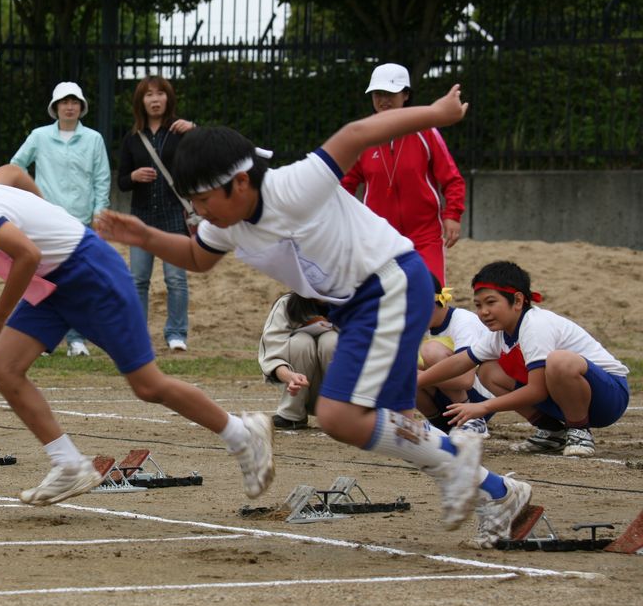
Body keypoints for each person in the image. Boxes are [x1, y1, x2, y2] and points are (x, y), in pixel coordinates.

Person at [95, 85, 531, 549]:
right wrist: (143, 236)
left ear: (239, 182)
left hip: (391, 283)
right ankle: (499, 492)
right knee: (399, 420)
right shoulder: (226, 224)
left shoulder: (293, 185)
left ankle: (459, 460)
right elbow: (197, 257)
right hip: (358, 302)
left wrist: (436, 113)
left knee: (341, 417)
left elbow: (359, 132)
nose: (199, 213)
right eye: (193, 203)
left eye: (204, 200)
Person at [0, 161, 274, 507]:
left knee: (149, 385)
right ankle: (68, 464)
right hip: (56, 281)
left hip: (89, 274)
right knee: (2, 369)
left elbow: (28, 253)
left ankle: (242, 434)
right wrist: (48, 216)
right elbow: (14, 173)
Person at [418, 260, 630, 458]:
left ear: (518, 300)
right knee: (488, 371)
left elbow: (536, 390)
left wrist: (482, 408)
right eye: (478, 305)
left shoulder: (536, 324)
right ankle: (552, 431)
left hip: (609, 398)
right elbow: (459, 362)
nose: (483, 312)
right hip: (566, 398)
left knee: (559, 361)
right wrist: (415, 381)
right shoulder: (499, 334)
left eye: (491, 302)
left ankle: (579, 430)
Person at [341, 63, 466, 284]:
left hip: (425, 235)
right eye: (378, 94)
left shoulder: (426, 132)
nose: (383, 100)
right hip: (379, 238)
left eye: (390, 93)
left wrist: (452, 215)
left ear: (406, 95)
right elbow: (345, 185)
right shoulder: (363, 136)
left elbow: (452, 179)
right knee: (383, 302)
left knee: (433, 300)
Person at [11, 80, 111, 357]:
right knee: (40, 279)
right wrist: (33, 196)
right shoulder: (39, 136)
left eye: (74, 102)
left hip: (80, 221)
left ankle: (76, 339)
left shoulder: (93, 139)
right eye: (64, 102)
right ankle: (39, 338)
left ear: (82, 107)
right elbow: (16, 165)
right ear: (55, 107)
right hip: (45, 219)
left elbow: (102, 179)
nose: (70, 107)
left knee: (76, 281)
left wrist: (99, 213)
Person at [117, 76, 196, 352]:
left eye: (160, 93)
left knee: (176, 279)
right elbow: (122, 182)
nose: (154, 99)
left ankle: (176, 333)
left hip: (174, 216)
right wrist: (134, 176)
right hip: (141, 217)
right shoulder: (132, 138)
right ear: (141, 101)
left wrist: (195, 130)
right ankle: (139, 333)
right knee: (138, 279)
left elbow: (204, 156)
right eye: (148, 94)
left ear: (168, 98)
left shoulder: (180, 131)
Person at [416, 275, 495, 437]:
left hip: (477, 399)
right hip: (445, 401)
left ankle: (473, 422)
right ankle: (441, 426)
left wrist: (418, 376)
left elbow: (464, 380)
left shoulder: (464, 321)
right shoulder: (420, 325)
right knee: (401, 366)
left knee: (430, 351)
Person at [258, 293, 338, 430]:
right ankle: (292, 414)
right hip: (297, 387)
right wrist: (290, 377)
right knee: (301, 341)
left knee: (331, 341)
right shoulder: (286, 304)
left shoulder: (354, 303)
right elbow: (271, 353)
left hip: (339, 390)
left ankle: (342, 413)